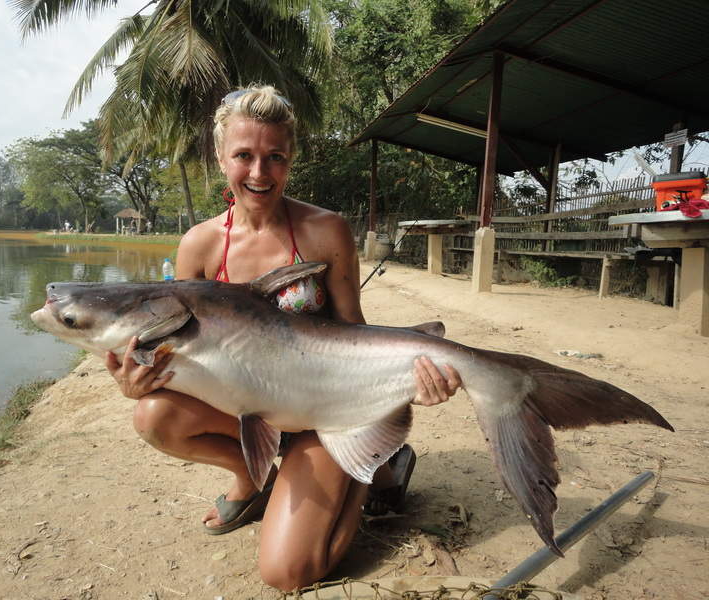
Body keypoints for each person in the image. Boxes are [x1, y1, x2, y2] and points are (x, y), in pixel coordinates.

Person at [106, 86, 462, 591]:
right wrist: (137, 381)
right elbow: (175, 353)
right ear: (220, 157)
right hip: (245, 412)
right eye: (244, 156)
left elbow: (353, 332)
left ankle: (369, 470)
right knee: (154, 414)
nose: (259, 172)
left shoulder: (325, 230)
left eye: (274, 157)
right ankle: (252, 479)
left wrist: (405, 380)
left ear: (290, 158)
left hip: (322, 412)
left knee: (287, 572)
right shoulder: (200, 245)